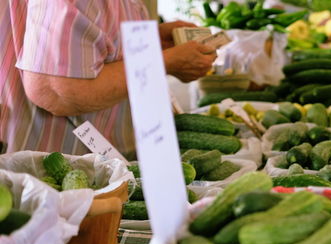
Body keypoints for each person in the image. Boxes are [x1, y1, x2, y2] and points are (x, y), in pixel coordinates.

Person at [0, 0, 216, 158]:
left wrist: (154, 41)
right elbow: (57, 90)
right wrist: (164, 62)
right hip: (49, 176)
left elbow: (91, 37)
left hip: (86, 167)